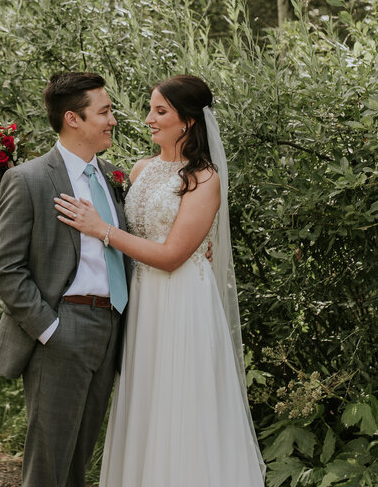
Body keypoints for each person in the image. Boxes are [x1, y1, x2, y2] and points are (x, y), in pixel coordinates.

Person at [55, 74, 266, 486]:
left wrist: (102, 230)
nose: (148, 118)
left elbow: (171, 256)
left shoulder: (204, 179)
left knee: (182, 404)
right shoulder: (139, 169)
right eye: (150, 108)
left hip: (183, 300)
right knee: (146, 402)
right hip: (142, 300)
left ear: (187, 120)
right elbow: (127, 225)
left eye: (160, 110)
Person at [0, 71, 132, 487]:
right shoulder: (28, 180)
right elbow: (5, 268)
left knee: (79, 460)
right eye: (104, 112)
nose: (112, 120)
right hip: (62, 327)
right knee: (48, 464)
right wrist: (50, 329)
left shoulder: (116, 177)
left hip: (112, 329)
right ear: (73, 119)